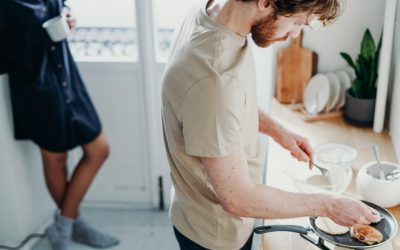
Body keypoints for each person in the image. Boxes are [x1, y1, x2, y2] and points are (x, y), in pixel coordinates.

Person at [161, 0, 381, 249]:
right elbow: (238, 198)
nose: (295, 34)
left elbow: (225, 108)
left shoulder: (214, 12)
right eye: (297, 22)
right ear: (265, 2)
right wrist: (329, 205)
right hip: (215, 233)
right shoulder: (213, 78)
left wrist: (279, 131)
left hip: (196, 208)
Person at [0, 1, 119, 250]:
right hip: (37, 87)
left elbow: (61, 5)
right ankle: (73, 223)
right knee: (55, 159)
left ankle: (65, 222)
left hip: (66, 75)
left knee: (99, 150)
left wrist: (67, 16)